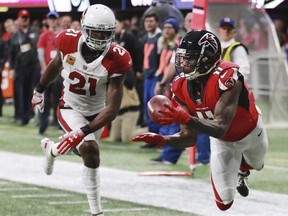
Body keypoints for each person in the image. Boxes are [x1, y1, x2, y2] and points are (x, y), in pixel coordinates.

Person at [132, 30, 269, 211]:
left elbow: (221, 126)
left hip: (250, 131)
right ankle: (240, 169)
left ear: (207, 58)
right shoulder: (180, 85)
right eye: (182, 58)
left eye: (190, 58)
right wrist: (165, 140)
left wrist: (186, 118)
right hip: (223, 141)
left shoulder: (227, 77)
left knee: (257, 164)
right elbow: (190, 137)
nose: (183, 63)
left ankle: (244, 168)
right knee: (224, 203)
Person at [31, 4, 132, 216]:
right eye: (96, 32)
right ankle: (97, 211)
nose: (101, 38)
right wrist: (39, 90)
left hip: (98, 112)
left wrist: (83, 131)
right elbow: (55, 65)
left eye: (106, 33)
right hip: (70, 106)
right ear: (85, 28)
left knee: (83, 149)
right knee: (91, 150)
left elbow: (112, 109)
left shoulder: (118, 58)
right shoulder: (67, 41)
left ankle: (52, 149)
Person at [9, 9, 41, 125]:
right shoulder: (15, 36)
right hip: (21, 67)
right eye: (22, 17)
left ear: (29, 19)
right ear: (19, 19)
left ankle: (31, 114)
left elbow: (38, 46)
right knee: (21, 92)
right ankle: (22, 116)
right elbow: (11, 54)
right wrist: (12, 69)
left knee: (32, 92)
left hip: (34, 66)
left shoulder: (36, 31)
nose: (24, 19)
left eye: (26, 17)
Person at [139, 12, 162, 148]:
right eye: (146, 21)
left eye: (151, 21)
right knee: (147, 107)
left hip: (156, 77)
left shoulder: (160, 38)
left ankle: (158, 138)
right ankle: (152, 137)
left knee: (156, 107)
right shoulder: (145, 38)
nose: (148, 23)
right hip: (147, 76)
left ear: (157, 22)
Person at [37, 11, 61, 134]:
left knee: (60, 100)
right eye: (50, 19)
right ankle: (43, 125)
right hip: (48, 72)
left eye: (54, 18)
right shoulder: (44, 36)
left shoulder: (62, 35)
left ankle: (59, 125)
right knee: (45, 100)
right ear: (47, 20)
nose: (52, 21)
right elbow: (40, 55)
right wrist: (46, 71)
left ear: (57, 20)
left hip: (61, 73)